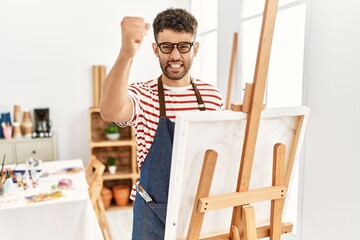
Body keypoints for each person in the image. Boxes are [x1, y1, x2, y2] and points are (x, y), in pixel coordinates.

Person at [100, 8, 224, 239]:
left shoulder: (212, 97)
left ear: (195, 49)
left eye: (184, 46)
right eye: (166, 47)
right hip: (152, 215)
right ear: (156, 50)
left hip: (201, 213)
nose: (175, 55)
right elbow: (110, 110)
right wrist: (127, 54)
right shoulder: (143, 94)